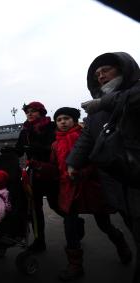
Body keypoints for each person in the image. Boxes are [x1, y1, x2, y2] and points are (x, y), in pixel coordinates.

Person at [66, 52, 140, 283]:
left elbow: (131, 99)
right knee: (133, 225)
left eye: (106, 70)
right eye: (97, 74)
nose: (101, 76)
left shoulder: (132, 91)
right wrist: (72, 162)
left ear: (123, 69)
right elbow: (86, 138)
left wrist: (102, 103)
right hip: (117, 181)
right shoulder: (96, 110)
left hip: (137, 176)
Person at [51, 107, 131, 281]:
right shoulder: (55, 143)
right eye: (59, 119)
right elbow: (56, 167)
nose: (63, 122)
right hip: (69, 190)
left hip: (90, 187)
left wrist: (83, 173)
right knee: (70, 226)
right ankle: (75, 265)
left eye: (66, 118)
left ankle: (120, 242)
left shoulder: (85, 137)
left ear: (74, 120)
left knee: (104, 224)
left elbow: (98, 160)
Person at [14, 101, 67, 253]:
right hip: (33, 174)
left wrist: (37, 148)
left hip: (49, 172)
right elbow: (19, 151)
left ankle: (75, 222)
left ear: (41, 112)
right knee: (35, 209)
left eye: (33, 111)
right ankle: (39, 241)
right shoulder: (25, 130)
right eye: (27, 111)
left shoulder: (50, 127)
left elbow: (55, 147)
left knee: (55, 204)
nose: (29, 114)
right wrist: (10, 150)